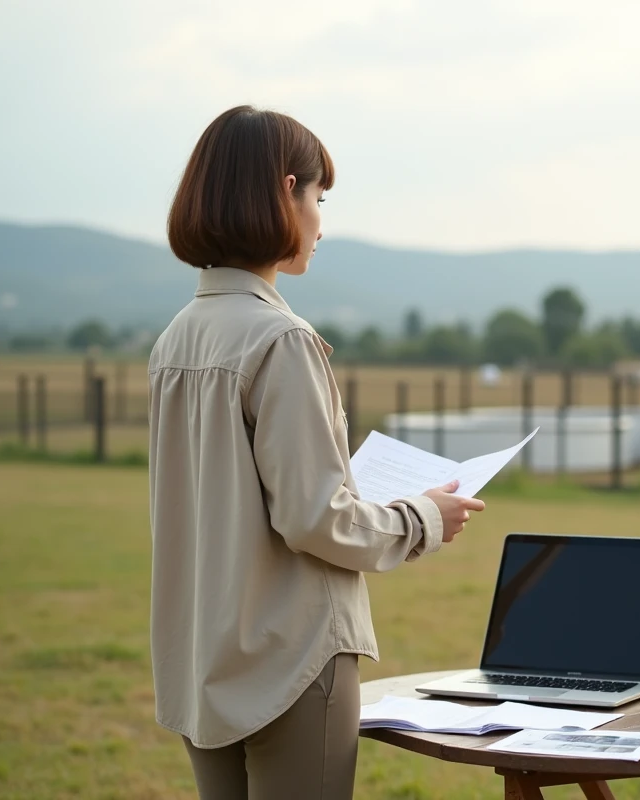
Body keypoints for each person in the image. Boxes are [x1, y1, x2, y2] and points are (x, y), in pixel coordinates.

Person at [148, 104, 485, 800]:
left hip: (199, 659)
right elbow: (314, 517)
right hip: (291, 661)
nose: (321, 222)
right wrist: (422, 518)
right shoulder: (282, 340)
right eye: (318, 197)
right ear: (285, 191)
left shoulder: (177, 338)